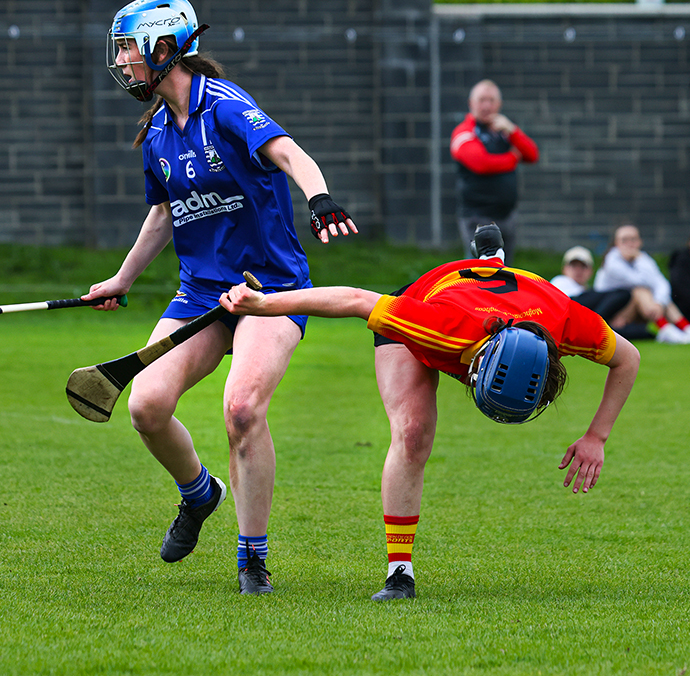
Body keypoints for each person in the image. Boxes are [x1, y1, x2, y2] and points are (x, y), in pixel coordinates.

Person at [84, 0, 357, 595]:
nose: (123, 61)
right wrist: (123, 279)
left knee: (241, 410)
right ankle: (199, 492)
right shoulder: (157, 130)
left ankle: (252, 557)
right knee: (145, 407)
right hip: (203, 294)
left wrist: (320, 199)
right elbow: (164, 213)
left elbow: (288, 151)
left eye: (129, 48)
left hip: (270, 289)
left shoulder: (225, 106)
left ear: (164, 48)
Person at [218, 230, 640, 601]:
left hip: (523, 297)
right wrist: (263, 303)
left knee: (488, 278)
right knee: (413, 431)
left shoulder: (568, 323)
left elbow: (630, 358)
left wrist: (596, 437)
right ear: (474, 367)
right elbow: (354, 299)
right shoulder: (440, 325)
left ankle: (489, 259)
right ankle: (400, 572)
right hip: (431, 299)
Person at [450, 79, 539, 263]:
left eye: (491, 100)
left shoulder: (503, 130)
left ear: (499, 104)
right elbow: (482, 164)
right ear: (471, 104)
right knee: (479, 269)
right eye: (482, 100)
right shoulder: (464, 132)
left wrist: (513, 131)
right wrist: (513, 158)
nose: (486, 105)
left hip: (506, 215)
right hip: (477, 216)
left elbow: (532, 154)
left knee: (506, 271)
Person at [592, 224, 690, 344]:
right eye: (624, 240)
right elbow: (639, 280)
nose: (629, 244)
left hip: (641, 311)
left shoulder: (643, 259)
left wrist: (659, 303)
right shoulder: (612, 262)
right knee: (640, 292)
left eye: (633, 239)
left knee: (663, 300)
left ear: (640, 242)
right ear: (616, 243)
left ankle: (689, 330)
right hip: (613, 315)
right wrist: (640, 259)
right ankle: (667, 330)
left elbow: (661, 283)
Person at [549, 245, 652, 340]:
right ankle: (596, 326)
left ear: (590, 271)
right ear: (564, 269)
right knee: (623, 294)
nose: (578, 270)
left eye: (583, 266)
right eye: (574, 265)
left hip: (580, 319)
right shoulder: (559, 282)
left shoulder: (590, 292)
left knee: (629, 329)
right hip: (566, 309)